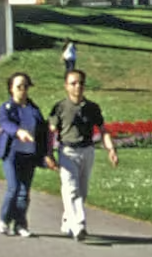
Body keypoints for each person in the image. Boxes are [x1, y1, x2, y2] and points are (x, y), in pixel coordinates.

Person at [48, 69, 118, 241]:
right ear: (66, 86)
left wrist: (111, 150)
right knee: (71, 189)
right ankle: (79, 226)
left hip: (87, 151)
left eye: (81, 83)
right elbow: (51, 131)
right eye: (73, 83)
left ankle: (67, 220)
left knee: (82, 190)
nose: (77, 86)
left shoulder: (92, 108)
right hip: (67, 151)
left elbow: (103, 130)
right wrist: (48, 153)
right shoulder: (60, 107)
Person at [0, 71, 54, 237]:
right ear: (11, 89)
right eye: (19, 87)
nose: (23, 90)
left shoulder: (34, 109)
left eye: (26, 86)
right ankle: (4, 220)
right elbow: (5, 123)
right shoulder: (7, 108)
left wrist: (48, 154)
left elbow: (42, 133)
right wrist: (18, 131)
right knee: (13, 188)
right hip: (12, 154)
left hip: (29, 155)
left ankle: (20, 224)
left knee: (24, 192)